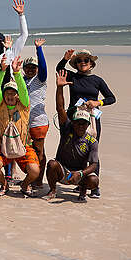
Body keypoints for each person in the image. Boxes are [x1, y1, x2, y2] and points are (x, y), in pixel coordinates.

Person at [55, 48, 115, 198]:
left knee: (91, 150)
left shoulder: (97, 80)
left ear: (91, 64)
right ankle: (79, 182)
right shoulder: (72, 77)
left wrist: (98, 102)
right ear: (75, 64)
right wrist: (65, 59)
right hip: (73, 119)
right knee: (74, 148)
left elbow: (111, 98)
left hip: (92, 120)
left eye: (86, 60)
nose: (83, 63)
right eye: (79, 61)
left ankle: (94, 188)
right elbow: (59, 70)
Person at [0, 56, 40, 196]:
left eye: (13, 93)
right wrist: (1, 72)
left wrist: (17, 74)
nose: (10, 96)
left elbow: (23, 90)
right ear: (3, 95)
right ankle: (4, 184)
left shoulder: (24, 106)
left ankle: (24, 185)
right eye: (7, 93)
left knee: (35, 170)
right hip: (2, 147)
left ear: (18, 96)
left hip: (23, 147)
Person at [46, 71, 100, 201]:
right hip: (62, 170)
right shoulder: (66, 129)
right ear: (73, 122)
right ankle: (53, 189)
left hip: (79, 175)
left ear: (88, 125)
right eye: (77, 123)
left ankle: (83, 191)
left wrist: (81, 173)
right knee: (52, 164)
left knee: (94, 180)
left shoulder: (91, 141)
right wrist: (59, 88)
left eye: (83, 124)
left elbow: (93, 164)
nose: (80, 126)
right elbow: (60, 108)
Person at [23, 39, 49, 188]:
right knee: (29, 152)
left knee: (39, 152)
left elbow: (44, 67)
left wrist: (38, 49)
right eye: (28, 67)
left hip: (38, 123)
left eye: (34, 67)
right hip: (25, 123)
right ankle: (32, 177)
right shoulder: (22, 80)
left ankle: (38, 181)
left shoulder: (40, 79)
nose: (31, 69)